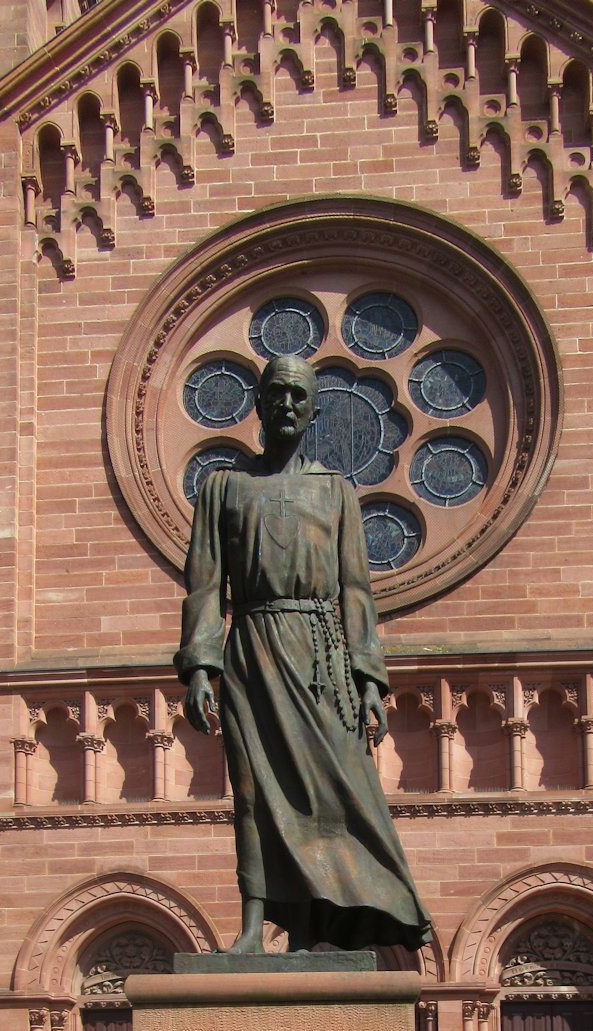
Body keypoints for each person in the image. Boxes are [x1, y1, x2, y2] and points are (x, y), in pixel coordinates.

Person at [174, 354, 431, 954]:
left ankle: (323, 926)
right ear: (258, 405)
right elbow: (206, 585)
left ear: (314, 410)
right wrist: (200, 665)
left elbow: (356, 591)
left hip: (321, 658)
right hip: (252, 651)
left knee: (333, 791)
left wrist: (370, 677)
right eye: (275, 395)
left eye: (297, 396)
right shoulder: (223, 489)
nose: (286, 405)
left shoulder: (337, 492)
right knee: (254, 791)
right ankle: (250, 931)